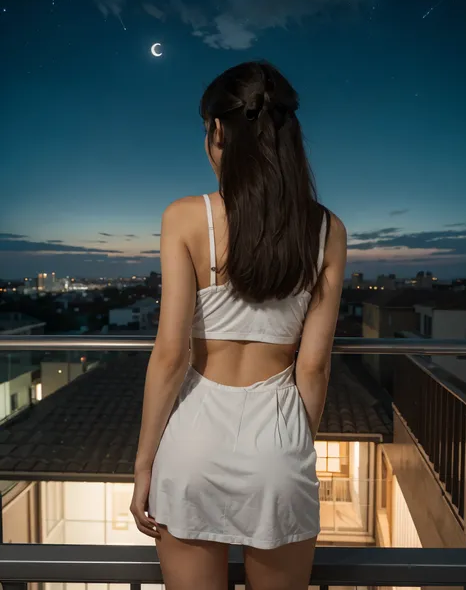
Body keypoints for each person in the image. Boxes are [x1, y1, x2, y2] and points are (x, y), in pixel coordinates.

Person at [130, 61, 347, 590]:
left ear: (219, 131)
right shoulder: (326, 229)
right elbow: (313, 368)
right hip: (277, 441)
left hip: (193, 442)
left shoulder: (185, 217)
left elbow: (170, 356)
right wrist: (294, 444)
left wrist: (143, 466)